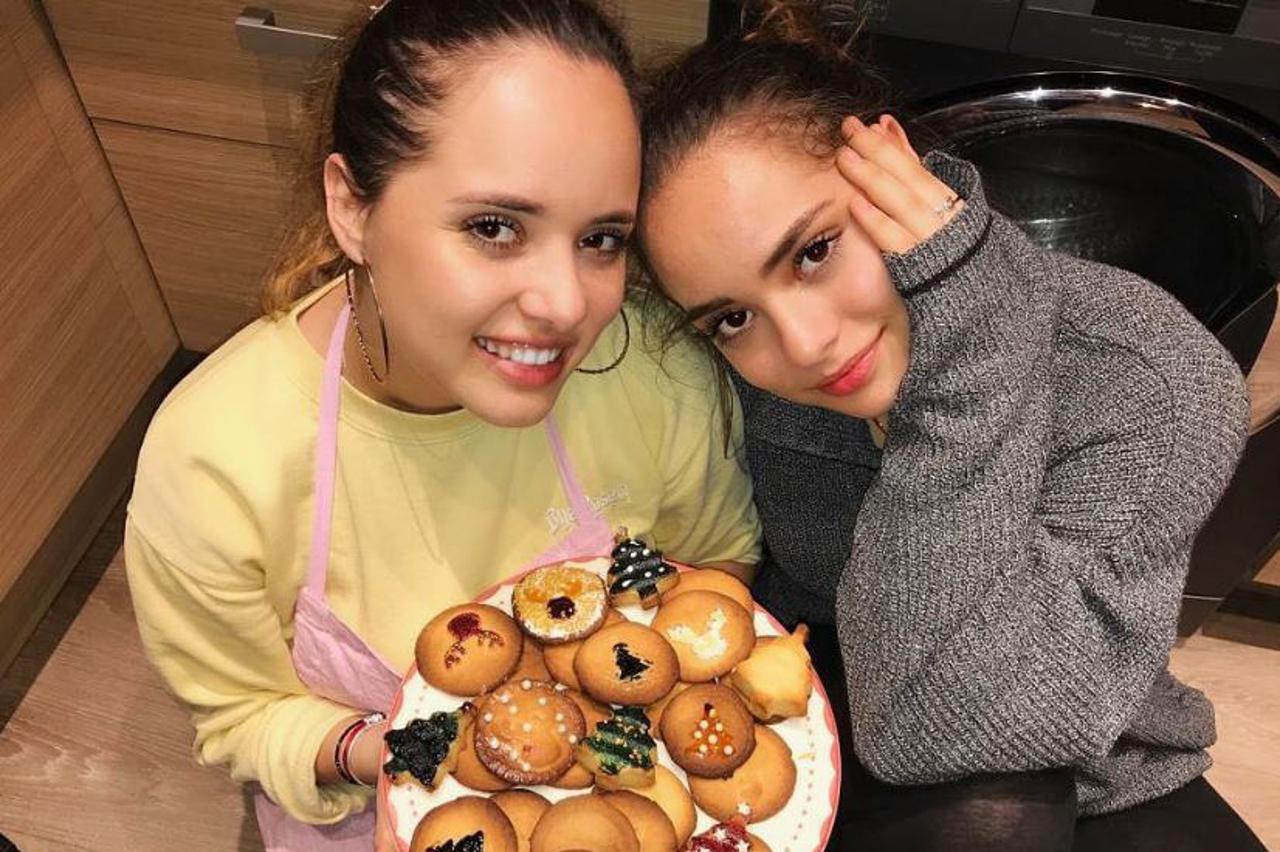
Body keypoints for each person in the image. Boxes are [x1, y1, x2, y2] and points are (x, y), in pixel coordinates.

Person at [123, 2, 759, 849]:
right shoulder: (211, 462)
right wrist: (390, 753)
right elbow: (242, 715)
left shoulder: (654, 373)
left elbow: (716, 568)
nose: (567, 304)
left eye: (602, 239)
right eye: (494, 227)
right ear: (352, 208)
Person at [634, 1, 1265, 849]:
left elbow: (949, 731)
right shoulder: (741, 368)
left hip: (1087, 747)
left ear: (895, 162)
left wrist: (968, 346)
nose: (807, 345)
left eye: (815, 251)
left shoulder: (1148, 377)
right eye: (732, 318)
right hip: (816, 706)